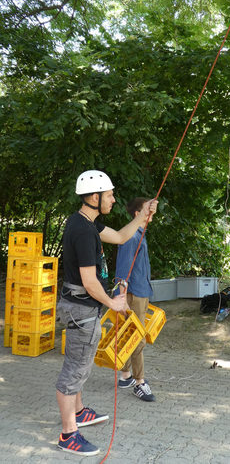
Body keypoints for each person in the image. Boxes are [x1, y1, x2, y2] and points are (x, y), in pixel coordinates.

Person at [56, 170, 154, 457]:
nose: (113, 199)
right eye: (109, 195)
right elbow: (89, 282)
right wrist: (115, 304)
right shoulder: (84, 232)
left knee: (81, 364)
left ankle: (80, 411)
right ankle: (68, 434)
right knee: (73, 372)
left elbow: (123, 237)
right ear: (95, 197)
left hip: (81, 309)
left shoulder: (86, 223)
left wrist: (143, 213)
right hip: (81, 310)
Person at [114, 197, 158, 402]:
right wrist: (121, 297)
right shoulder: (132, 237)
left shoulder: (140, 234)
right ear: (136, 215)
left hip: (141, 291)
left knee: (130, 333)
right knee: (136, 336)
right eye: (146, 211)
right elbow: (123, 270)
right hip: (134, 294)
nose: (151, 215)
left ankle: (125, 376)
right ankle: (139, 382)